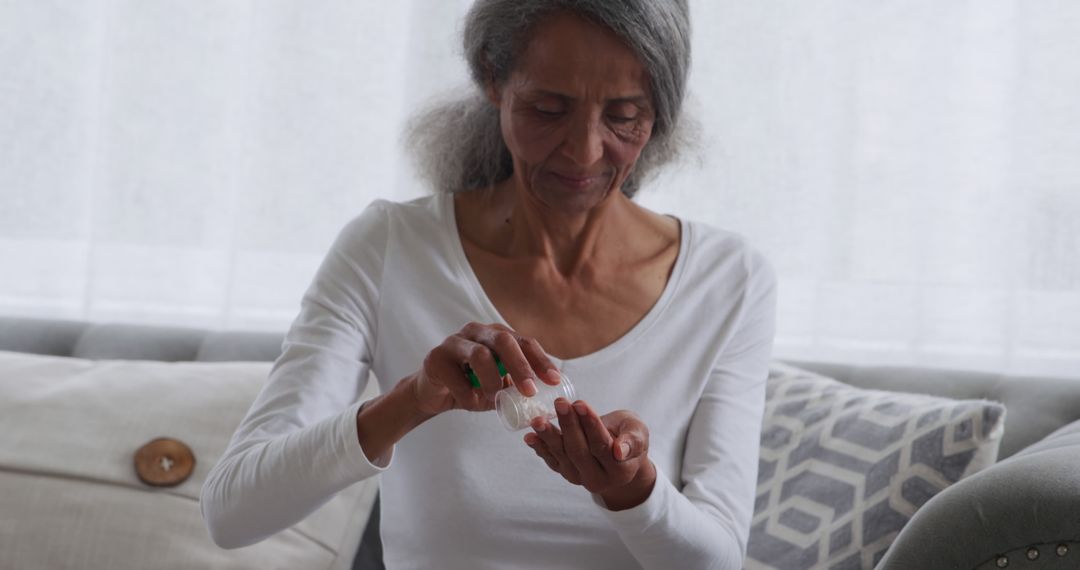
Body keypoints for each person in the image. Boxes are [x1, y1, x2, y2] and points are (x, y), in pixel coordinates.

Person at [201, 1, 777, 568]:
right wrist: (411, 401)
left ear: (660, 113)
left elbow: (717, 560)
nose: (585, 151)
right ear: (492, 77)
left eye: (625, 115)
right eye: (549, 109)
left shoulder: (726, 280)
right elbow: (233, 512)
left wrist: (633, 490)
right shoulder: (389, 248)